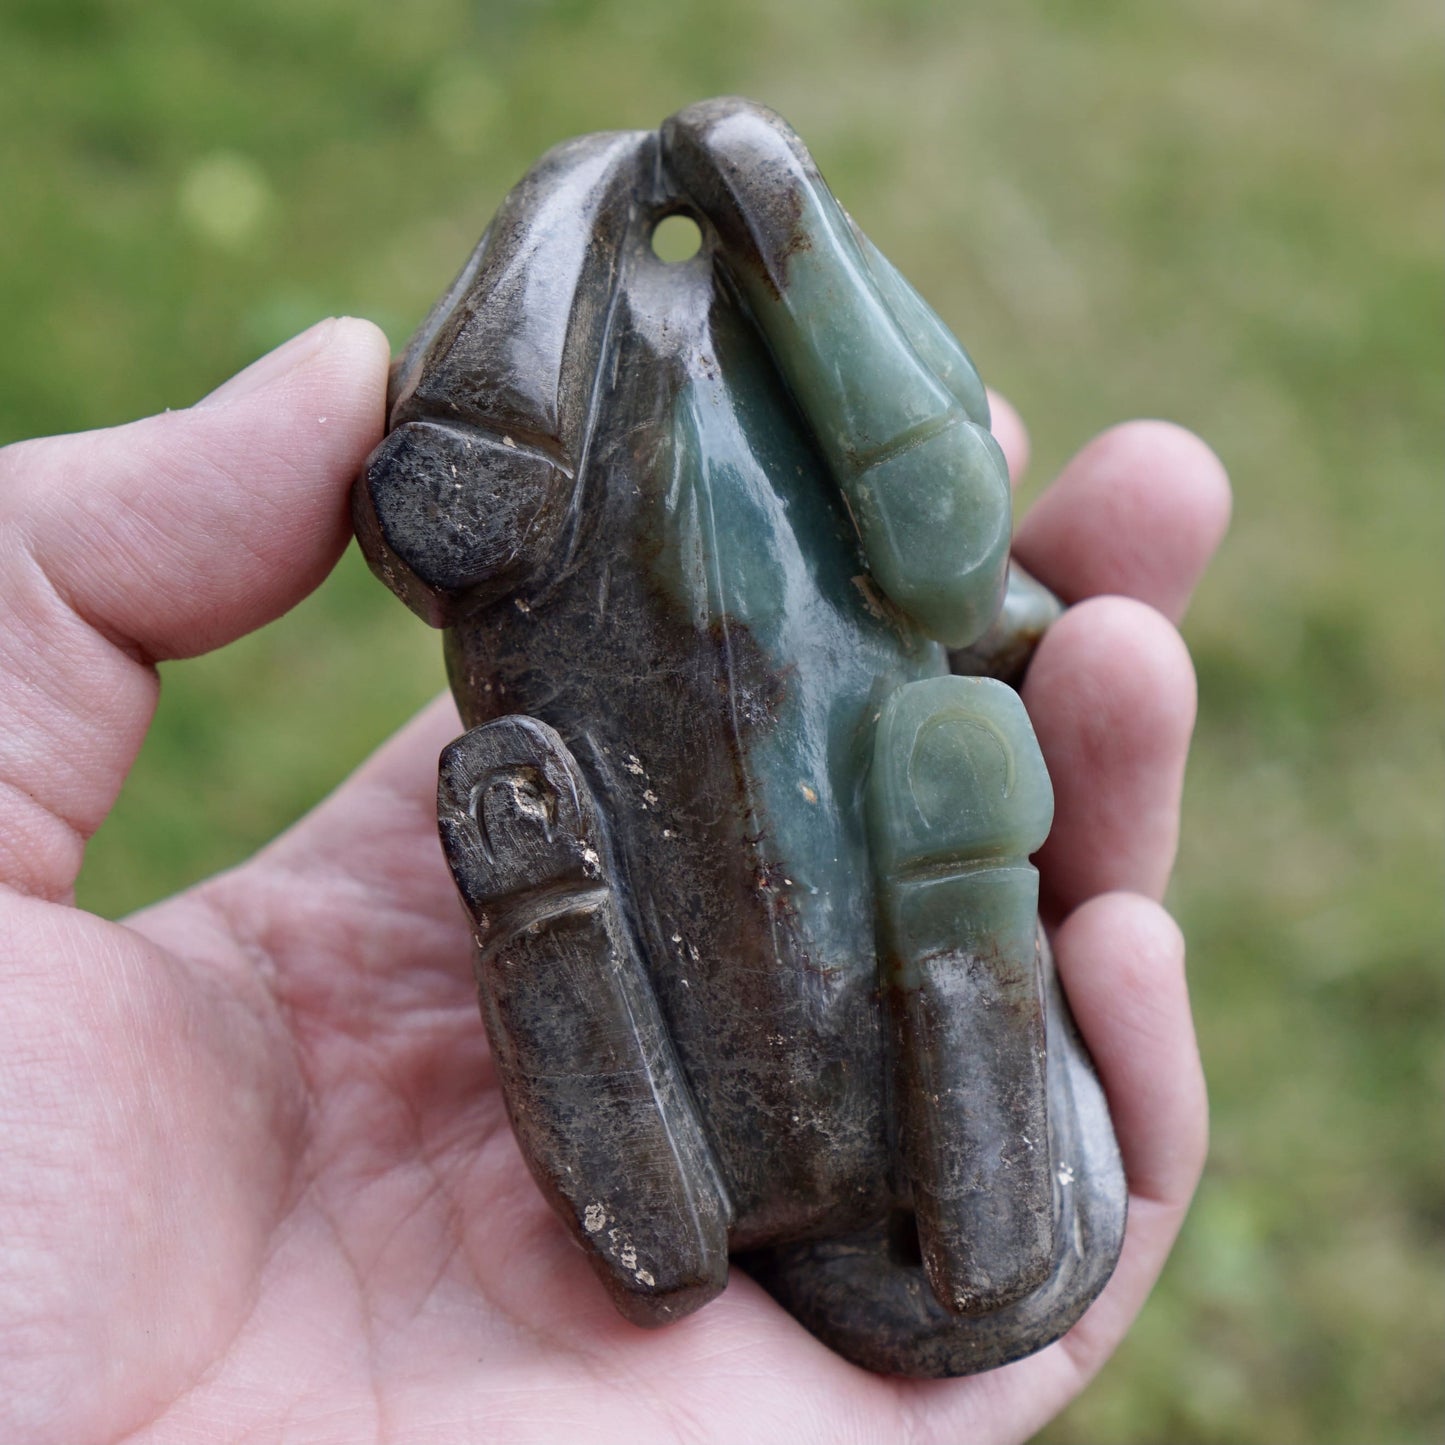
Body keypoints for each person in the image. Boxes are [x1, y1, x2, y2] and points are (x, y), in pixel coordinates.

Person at [0, 317, 1227, 1443]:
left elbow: (974, 584)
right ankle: (802, 1176)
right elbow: (441, 518)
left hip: (856, 1078)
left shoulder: (843, 543)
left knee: (923, 890)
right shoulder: (544, 559)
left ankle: (952, 1134)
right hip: (678, 1104)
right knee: (582, 889)